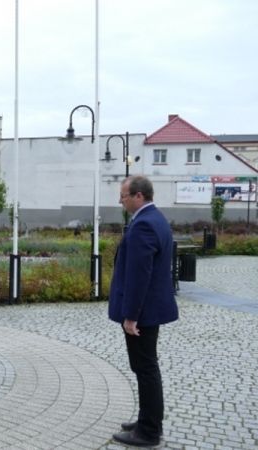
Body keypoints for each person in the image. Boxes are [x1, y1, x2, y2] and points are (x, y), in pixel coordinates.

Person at [109, 176, 179, 447]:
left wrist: (131, 316)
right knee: (145, 368)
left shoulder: (144, 225)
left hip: (143, 313)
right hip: (150, 309)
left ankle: (149, 432)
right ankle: (146, 419)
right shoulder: (156, 219)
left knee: (146, 368)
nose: (120, 200)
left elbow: (140, 275)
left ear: (139, 196)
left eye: (123, 195)